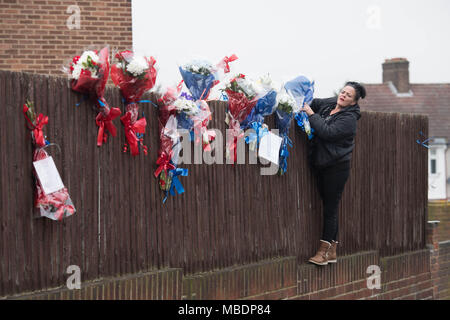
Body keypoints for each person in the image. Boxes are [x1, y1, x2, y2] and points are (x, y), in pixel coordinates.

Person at [298, 81, 365, 266]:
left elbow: (327, 132)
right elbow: (314, 102)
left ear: (354, 102)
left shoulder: (349, 119)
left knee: (330, 208)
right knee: (329, 207)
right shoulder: (331, 104)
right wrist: (296, 99)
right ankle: (332, 251)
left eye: (348, 95)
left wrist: (311, 115)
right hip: (322, 164)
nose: (343, 96)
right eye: (343, 92)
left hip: (336, 167)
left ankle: (323, 252)